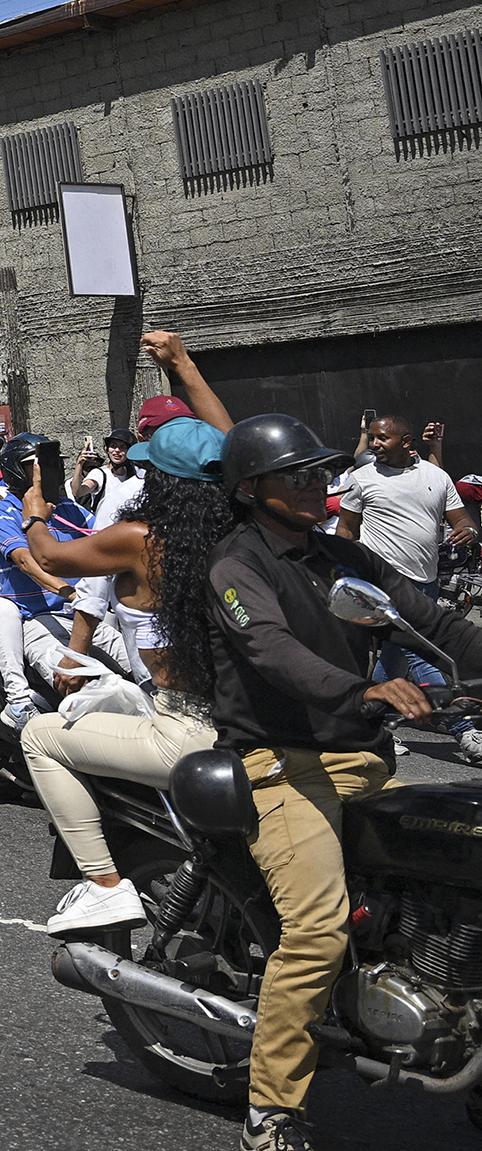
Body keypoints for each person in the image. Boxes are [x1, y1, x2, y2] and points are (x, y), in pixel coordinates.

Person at [200, 414, 482, 1151]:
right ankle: (271, 1110)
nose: (314, 484)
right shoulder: (236, 565)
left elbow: (434, 621)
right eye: (296, 475)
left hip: (356, 759)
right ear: (250, 488)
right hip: (277, 765)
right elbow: (270, 650)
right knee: (318, 931)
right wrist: (361, 693)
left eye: (320, 472)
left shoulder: (341, 556)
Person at [16, 410, 233, 934]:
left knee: (40, 736)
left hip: (186, 727)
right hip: (245, 717)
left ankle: (104, 886)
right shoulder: (242, 536)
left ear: (159, 480)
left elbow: (51, 558)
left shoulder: (141, 538)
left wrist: (33, 510)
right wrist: (181, 365)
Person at [339, 413, 479, 760]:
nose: (374, 445)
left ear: (406, 441)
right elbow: (345, 532)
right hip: (382, 585)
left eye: (382, 439)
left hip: (426, 582)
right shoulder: (362, 479)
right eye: (371, 438)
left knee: (395, 658)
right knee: (421, 650)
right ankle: (465, 730)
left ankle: (375, 724)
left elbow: (459, 517)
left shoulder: (436, 476)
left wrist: (468, 530)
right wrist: (346, 577)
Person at [0, 436, 93, 729]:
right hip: (37, 620)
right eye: (35, 466)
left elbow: (106, 541)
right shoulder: (3, 511)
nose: (47, 471)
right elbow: (26, 562)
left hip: (85, 614)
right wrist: (72, 593)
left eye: (51, 464)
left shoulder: (68, 507)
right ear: (15, 470)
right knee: (78, 686)